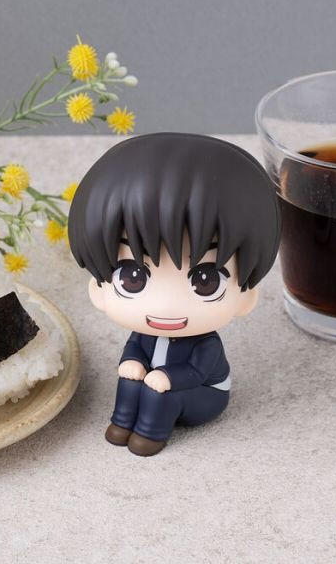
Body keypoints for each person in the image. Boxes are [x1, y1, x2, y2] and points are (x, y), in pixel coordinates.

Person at [68, 133, 281, 456]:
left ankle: (150, 435)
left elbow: (197, 372)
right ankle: (122, 424)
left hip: (204, 393)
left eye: (206, 281)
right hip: (160, 381)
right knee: (130, 378)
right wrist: (132, 362)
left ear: (245, 297)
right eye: (132, 277)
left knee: (160, 394)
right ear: (99, 289)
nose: (167, 305)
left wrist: (167, 377)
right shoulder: (143, 335)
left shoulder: (206, 344)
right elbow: (135, 349)